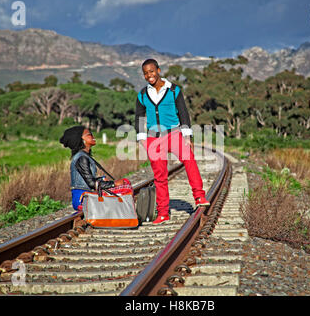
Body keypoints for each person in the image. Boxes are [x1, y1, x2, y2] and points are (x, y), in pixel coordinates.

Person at [135, 58, 210, 225]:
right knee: (160, 176)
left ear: (159, 71)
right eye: (146, 73)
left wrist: (187, 136)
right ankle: (163, 213)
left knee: (189, 161)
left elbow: (183, 113)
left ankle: (199, 196)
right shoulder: (142, 94)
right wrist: (142, 139)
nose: (149, 75)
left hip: (174, 134)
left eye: (152, 71)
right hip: (154, 138)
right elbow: (139, 117)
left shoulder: (174, 90)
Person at [59, 125, 124, 211]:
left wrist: (101, 179)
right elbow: (91, 183)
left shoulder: (84, 156)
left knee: (124, 186)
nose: (93, 137)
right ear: (82, 139)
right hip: (83, 198)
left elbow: (87, 179)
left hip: (87, 195)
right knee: (124, 189)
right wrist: (113, 184)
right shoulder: (81, 158)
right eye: (89, 135)